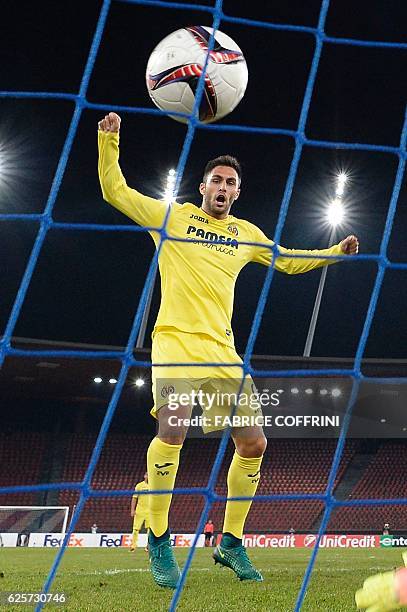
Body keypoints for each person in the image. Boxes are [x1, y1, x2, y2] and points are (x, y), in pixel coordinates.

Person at [98, 112, 359, 590]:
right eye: (215, 180)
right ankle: (159, 537)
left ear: (237, 193)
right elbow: (116, 192)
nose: (222, 187)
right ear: (202, 187)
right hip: (175, 338)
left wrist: (334, 253)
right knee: (173, 427)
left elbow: (289, 263)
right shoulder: (172, 215)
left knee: (254, 442)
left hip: (222, 351)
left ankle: (231, 543)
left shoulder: (246, 234)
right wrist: (108, 141)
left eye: (230, 182)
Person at [130, 471, 150, 552]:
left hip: (150, 511)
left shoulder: (155, 486)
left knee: (150, 529)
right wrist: (132, 509)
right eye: (147, 475)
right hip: (140, 510)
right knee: (136, 529)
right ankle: (133, 546)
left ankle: (148, 546)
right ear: (144, 476)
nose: (148, 476)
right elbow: (134, 498)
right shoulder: (139, 486)